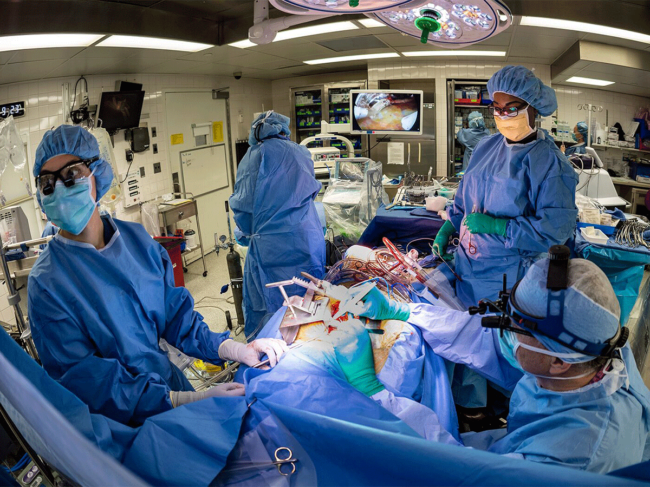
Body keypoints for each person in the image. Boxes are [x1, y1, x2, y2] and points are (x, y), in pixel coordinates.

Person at [28, 125, 288, 426]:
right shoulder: (47, 284)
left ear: (97, 173)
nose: (60, 189)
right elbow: (87, 382)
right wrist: (180, 402)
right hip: (122, 425)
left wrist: (232, 348)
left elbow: (176, 316)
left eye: (71, 175)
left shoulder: (137, 242)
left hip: (168, 386)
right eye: (48, 183)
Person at [336, 251, 650, 473]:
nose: (505, 336)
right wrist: (405, 311)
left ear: (558, 362)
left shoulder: (574, 455)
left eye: (513, 330)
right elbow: (482, 337)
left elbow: (461, 472)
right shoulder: (594, 348)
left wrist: (378, 396)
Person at [433, 65, 578, 309]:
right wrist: (449, 226)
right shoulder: (485, 147)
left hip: (508, 276)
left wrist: (500, 227)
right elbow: (465, 199)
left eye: (511, 109)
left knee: (495, 335)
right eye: (497, 109)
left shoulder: (553, 165)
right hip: (467, 265)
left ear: (533, 107)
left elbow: (555, 231)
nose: (502, 116)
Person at [230, 111, 326, 339]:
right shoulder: (300, 152)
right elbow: (310, 190)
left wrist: (245, 233)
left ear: (256, 134)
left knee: (270, 305)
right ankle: (311, 343)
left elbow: (243, 207)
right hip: (305, 237)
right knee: (308, 295)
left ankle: (270, 350)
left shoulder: (251, 158)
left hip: (269, 248)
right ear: (283, 130)